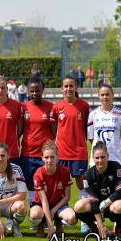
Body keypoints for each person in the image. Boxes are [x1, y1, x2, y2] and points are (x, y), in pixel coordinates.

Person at [50, 75, 90, 204]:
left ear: (76, 87)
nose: (69, 89)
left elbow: (86, 128)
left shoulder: (84, 106)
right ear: (62, 88)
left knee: (81, 182)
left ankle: (84, 215)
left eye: (71, 86)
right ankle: (61, 215)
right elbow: (54, 128)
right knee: (60, 184)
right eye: (66, 86)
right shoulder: (56, 107)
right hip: (61, 152)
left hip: (78, 152)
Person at [73, 142, 121, 239]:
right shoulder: (88, 175)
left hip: (112, 204)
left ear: (108, 156)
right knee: (78, 206)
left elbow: (120, 190)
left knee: (120, 205)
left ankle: (118, 227)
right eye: (97, 158)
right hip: (96, 207)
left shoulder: (116, 166)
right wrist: (100, 224)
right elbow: (93, 201)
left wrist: (104, 204)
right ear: (93, 158)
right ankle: (94, 228)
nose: (100, 160)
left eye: (102, 157)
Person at [27, 141, 75, 239]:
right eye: (46, 157)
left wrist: (53, 210)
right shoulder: (38, 174)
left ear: (57, 156)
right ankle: (41, 223)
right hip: (41, 204)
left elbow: (67, 197)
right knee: (34, 215)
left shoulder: (65, 171)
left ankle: (58, 223)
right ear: (42, 157)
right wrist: (49, 226)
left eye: (52, 157)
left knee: (72, 218)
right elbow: (44, 200)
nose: (49, 160)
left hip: (59, 204)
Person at [20, 75, 54, 206]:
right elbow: (20, 130)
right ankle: (34, 215)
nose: (34, 93)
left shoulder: (51, 107)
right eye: (32, 91)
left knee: (46, 183)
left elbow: (54, 131)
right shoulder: (23, 107)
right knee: (30, 184)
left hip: (45, 154)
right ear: (28, 91)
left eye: (37, 90)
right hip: (28, 153)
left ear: (42, 90)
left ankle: (47, 215)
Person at [87, 84, 121, 169]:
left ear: (112, 95)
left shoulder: (120, 113)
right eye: (102, 95)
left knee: (116, 182)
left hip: (115, 157)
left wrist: (114, 143)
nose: (105, 97)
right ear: (98, 96)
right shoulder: (93, 114)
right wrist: (100, 146)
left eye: (107, 94)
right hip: (97, 158)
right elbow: (91, 137)